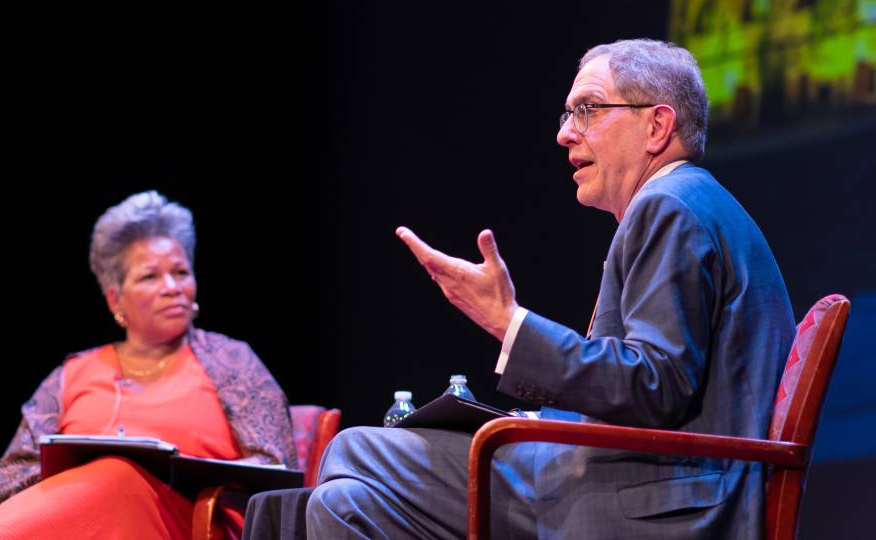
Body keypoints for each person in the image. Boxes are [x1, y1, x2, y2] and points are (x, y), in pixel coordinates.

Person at [306, 39, 795, 538]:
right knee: (342, 504)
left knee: (355, 449)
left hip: (662, 505)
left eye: (588, 110)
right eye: (567, 114)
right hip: (646, 482)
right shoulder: (691, 201)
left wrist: (508, 322)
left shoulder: (668, 204)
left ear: (656, 126)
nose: (565, 133)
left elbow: (655, 385)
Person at [0, 191, 297, 539]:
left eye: (181, 272)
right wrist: (85, 476)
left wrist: (180, 473)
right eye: (150, 277)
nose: (172, 288)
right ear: (115, 299)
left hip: (187, 522)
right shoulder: (71, 374)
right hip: (79, 524)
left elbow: (278, 470)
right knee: (111, 473)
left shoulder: (232, 360)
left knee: (121, 474)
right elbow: (7, 477)